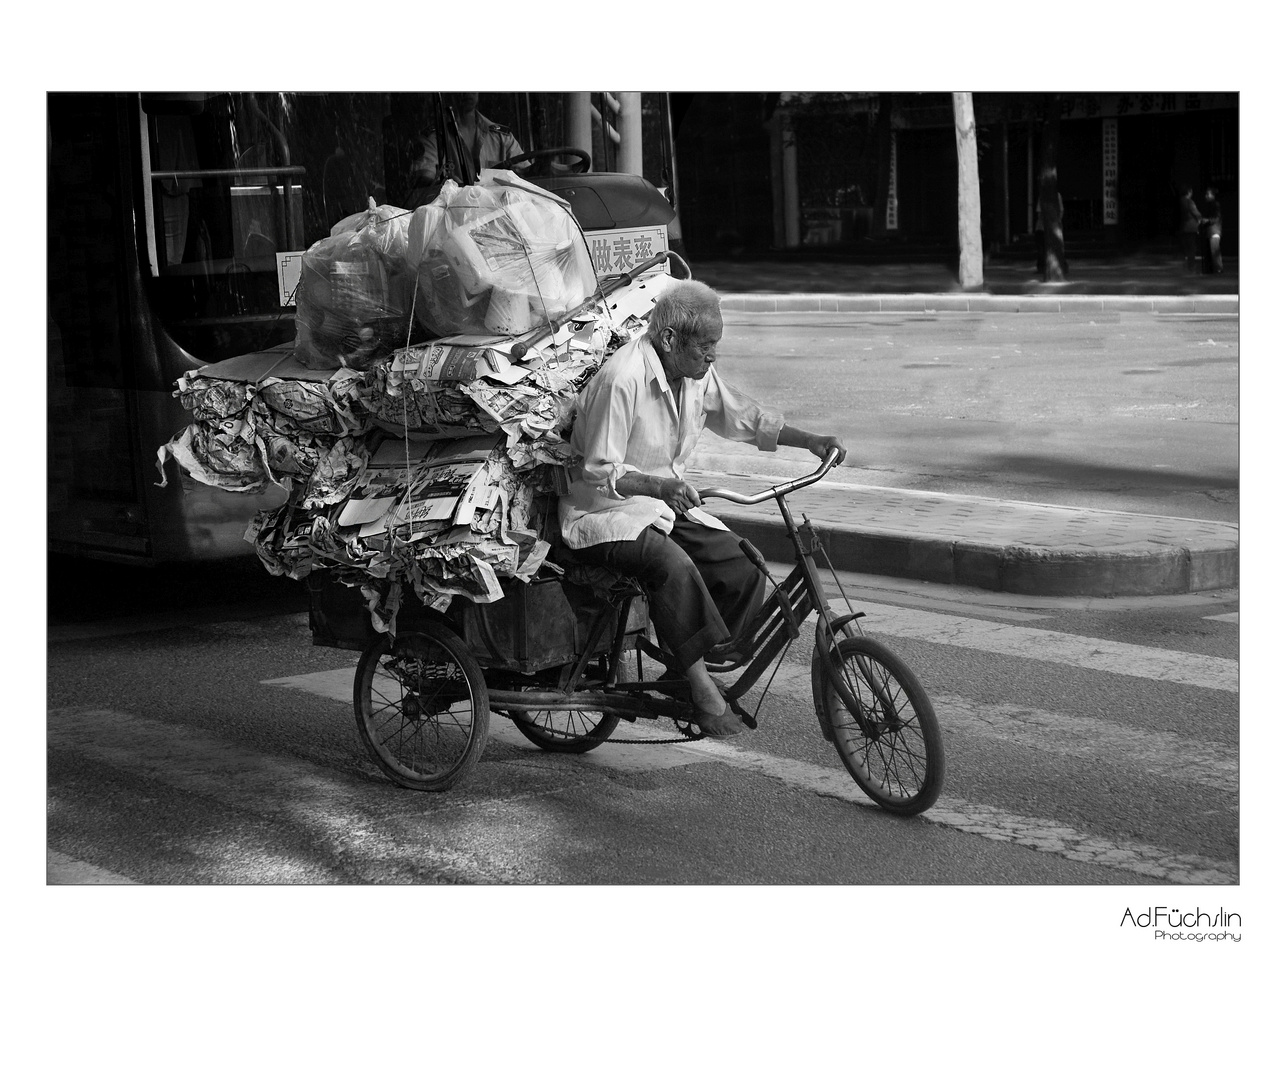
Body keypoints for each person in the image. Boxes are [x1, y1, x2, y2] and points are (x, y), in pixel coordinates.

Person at [558, 280, 847, 739]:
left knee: (739, 561)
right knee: (671, 566)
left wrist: (808, 439)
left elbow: (741, 417)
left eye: (716, 346)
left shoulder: (691, 374)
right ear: (671, 340)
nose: (712, 356)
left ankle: (683, 657)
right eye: (705, 346)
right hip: (604, 513)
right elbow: (599, 470)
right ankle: (700, 689)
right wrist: (659, 484)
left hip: (660, 507)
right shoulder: (623, 379)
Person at [405, 93, 524, 209]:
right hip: (452, 220)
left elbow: (528, 178)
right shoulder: (433, 139)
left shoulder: (502, 138)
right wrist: (450, 188)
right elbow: (425, 187)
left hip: (503, 216)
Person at [1178, 185, 1203, 274]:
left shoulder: (1180, 201)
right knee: (1192, 248)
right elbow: (1196, 212)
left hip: (1183, 227)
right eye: (1191, 192)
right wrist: (1200, 219)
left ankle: (1186, 267)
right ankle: (1191, 267)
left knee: (1186, 247)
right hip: (1191, 227)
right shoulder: (1189, 201)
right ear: (1188, 192)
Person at [1201, 186, 1223, 274]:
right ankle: (1211, 270)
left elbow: (1217, 218)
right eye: (1206, 194)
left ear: (1213, 195)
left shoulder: (1215, 205)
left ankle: (1218, 269)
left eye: (1208, 194)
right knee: (1211, 252)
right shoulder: (1211, 205)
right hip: (1211, 231)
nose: (1206, 196)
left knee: (1214, 252)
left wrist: (1207, 220)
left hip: (1213, 231)